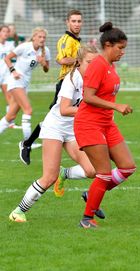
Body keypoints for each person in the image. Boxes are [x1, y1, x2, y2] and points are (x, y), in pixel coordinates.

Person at [9, 44, 105, 223]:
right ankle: (18, 212)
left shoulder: (94, 79)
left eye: (96, 63)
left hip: (73, 130)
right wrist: (91, 112)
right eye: (89, 63)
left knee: (93, 169)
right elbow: (64, 109)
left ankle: (65, 174)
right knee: (49, 178)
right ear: (79, 63)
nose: (93, 67)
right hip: (55, 127)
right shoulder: (72, 79)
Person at [74, 22, 137, 228]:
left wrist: (113, 109)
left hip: (106, 124)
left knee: (127, 167)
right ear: (108, 45)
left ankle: (92, 193)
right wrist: (116, 105)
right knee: (104, 172)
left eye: (124, 48)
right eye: (120, 48)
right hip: (89, 124)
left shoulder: (111, 65)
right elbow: (88, 97)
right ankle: (86, 219)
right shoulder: (98, 65)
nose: (123, 52)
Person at [19, 9, 83, 165]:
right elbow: (61, 60)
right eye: (73, 21)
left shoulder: (75, 40)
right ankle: (27, 144)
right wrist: (82, 59)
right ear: (67, 22)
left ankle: (28, 144)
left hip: (75, 84)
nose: (76, 24)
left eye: (79, 21)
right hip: (66, 83)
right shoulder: (66, 40)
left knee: (57, 118)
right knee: (56, 118)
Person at [0, 27, 50, 140]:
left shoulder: (45, 51)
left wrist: (43, 63)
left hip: (25, 84)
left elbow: (47, 69)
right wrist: (14, 71)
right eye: (39, 37)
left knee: (11, 115)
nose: (42, 39)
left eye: (44, 37)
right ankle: (27, 144)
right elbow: (7, 58)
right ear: (34, 37)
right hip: (15, 81)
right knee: (28, 110)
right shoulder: (25, 47)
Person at [0, 25, 15, 119]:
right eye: (4, 31)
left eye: (7, 31)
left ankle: (10, 122)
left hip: (5, 75)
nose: (6, 33)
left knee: (9, 97)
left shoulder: (10, 44)